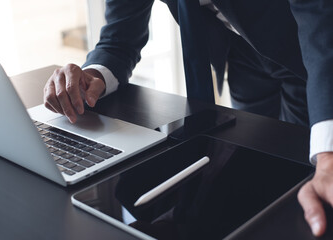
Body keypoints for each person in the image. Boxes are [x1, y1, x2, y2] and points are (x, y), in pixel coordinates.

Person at [43, 0, 333, 236]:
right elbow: (118, 39)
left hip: (314, 56)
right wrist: (92, 75)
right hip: (245, 54)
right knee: (256, 176)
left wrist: (328, 155)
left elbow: (321, 19)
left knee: (302, 181)